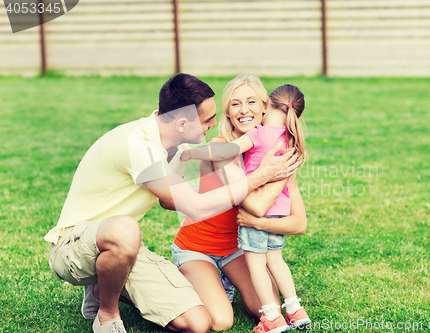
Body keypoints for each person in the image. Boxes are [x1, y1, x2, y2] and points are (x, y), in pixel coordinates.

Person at [43, 73, 300, 333]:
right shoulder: (139, 146)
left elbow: (171, 202)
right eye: (208, 119)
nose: (214, 123)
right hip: (73, 245)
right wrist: (261, 177)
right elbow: (196, 207)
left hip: (123, 246)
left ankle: (102, 288)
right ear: (181, 123)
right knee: (126, 229)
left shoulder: (174, 148)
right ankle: (108, 314)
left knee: (198, 323)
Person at [171, 75, 308, 331]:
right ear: (228, 113)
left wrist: (260, 221)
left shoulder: (278, 152)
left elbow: (299, 223)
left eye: (251, 102)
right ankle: (176, 280)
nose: (244, 110)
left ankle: (224, 279)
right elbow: (253, 205)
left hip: (237, 249)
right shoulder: (220, 149)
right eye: (235, 104)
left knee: (269, 308)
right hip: (198, 247)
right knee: (222, 321)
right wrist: (270, 175)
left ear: (265, 106)